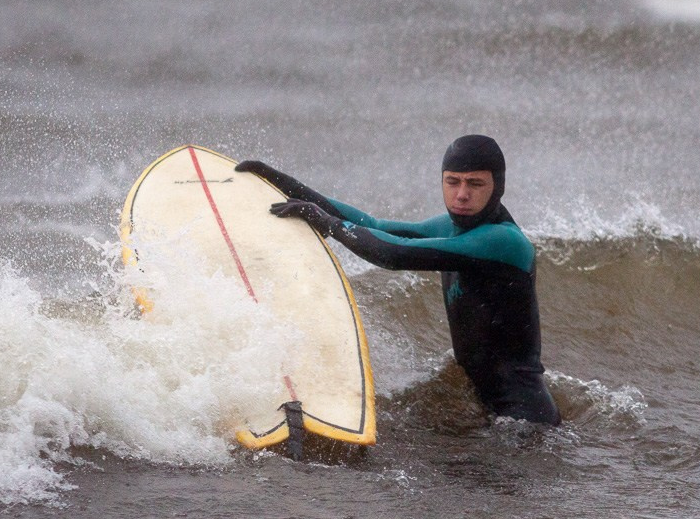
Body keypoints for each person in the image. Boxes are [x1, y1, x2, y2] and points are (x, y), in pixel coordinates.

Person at [236, 135, 561, 426]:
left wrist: (328, 224)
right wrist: (282, 182)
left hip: (524, 420)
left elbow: (394, 254)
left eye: (475, 184)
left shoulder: (503, 242)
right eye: (453, 182)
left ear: (497, 187)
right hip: (487, 410)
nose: (461, 195)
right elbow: (373, 224)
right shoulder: (450, 227)